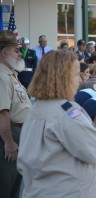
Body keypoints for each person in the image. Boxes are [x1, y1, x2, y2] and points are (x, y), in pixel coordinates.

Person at [17, 50, 96, 197]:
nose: (79, 80)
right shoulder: (66, 112)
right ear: (62, 77)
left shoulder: (37, 108)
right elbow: (93, 151)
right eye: (76, 74)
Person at [0, 30, 32, 198]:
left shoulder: (10, 74)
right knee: (7, 183)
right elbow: (2, 113)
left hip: (20, 133)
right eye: (16, 50)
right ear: (4, 52)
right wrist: (9, 142)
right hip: (10, 134)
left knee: (16, 186)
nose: (20, 53)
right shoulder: (1, 76)